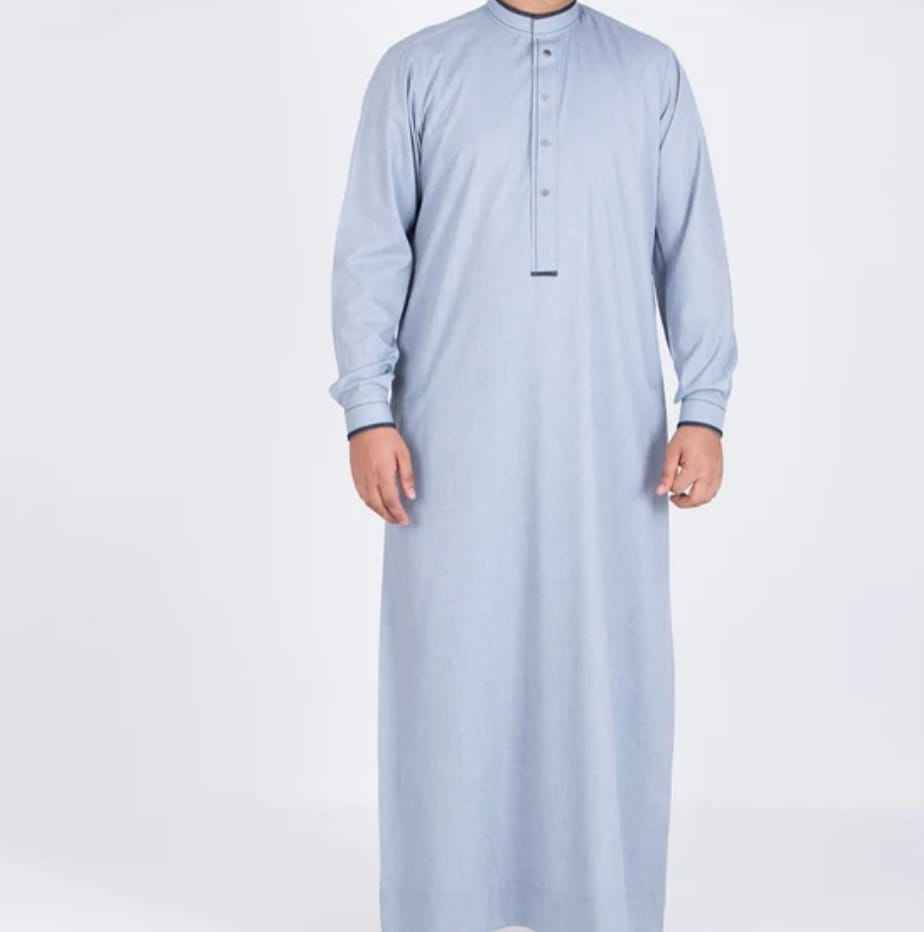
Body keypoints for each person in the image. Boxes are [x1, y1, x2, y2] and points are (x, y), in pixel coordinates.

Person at [329, 1, 737, 929]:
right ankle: (443, 905)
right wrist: (367, 410)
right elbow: (371, 250)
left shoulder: (648, 74)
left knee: (605, 675)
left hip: (611, 446)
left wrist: (703, 406)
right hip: (445, 448)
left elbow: (691, 246)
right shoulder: (416, 70)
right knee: (447, 675)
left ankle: (598, 904)